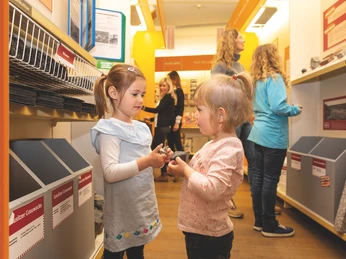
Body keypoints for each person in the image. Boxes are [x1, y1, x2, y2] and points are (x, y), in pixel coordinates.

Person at [90, 64, 172, 259]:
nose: (141, 100)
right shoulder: (108, 130)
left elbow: (142, 159)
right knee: (114, 253)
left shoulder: (141, 128)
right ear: (113, 93)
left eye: (142, 94)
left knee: (137, 250)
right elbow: (110, 172)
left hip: (139, 204)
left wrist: (157, 159)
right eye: (135, 94)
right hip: (122, 207)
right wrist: (147, 161)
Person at [167, 73, 253, 259]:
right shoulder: (213, 143)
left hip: (209, 237)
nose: (195, 115)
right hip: (199, 230)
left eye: (199, 109)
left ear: (221, 115)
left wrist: (186, 171)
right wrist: (181, 170)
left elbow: (211, 189)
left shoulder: (230, 148)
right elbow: (202, 174)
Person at [248, 43, 302, 237]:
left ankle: (259, 221)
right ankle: (270, 225)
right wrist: (295, 108)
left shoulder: (257, 81)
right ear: (273, 57)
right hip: (273, 136)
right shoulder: (275, 78)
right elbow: (279, 107)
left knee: (259, 179)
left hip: (257, 134)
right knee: (270, 180)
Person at [211, 28, 254, 219]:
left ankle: (261, 202)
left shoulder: (241, 65)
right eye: (240, 37)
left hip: (244, 118)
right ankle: (225, 203)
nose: (243, 39)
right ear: (231, 41)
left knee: (253, 157)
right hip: (230, 119)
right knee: (228, 160)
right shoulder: (220, 66)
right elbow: (216, 92)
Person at [142, 76, 176, 182]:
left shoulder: (167, 97)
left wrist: (142, 107)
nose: (162, 87)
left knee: (155, 150)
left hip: (162, 128)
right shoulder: (166, 98)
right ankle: (164, 173)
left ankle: (162, 174)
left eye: (164, 85)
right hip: (162, 127)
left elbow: (157, 110)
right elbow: (161, 114)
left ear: (169, 86)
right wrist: (151, 119)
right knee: (161, 151)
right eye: (160, 85)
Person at [167, 70, 185, 182]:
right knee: (170, 144)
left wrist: (177, 122)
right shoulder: (173, 92)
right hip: (171, 122)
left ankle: (182, 169)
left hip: (175, 123)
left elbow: (180, 108)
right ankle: (174, 169)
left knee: (177, 144)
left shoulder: (179, 91)